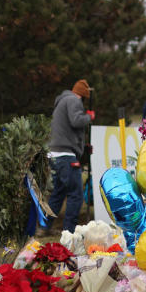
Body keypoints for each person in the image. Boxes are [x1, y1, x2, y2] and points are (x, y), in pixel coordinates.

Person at [48, 79, 95, 233]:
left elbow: (68, 128)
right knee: (76, 194)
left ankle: (44, 227)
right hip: (66, 155)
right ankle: (70, 230)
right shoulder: (74, 100)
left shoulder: (62, 101)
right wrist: (89, 117)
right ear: (82, 95)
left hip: (55, 153)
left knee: (58, 193)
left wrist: (81, 146)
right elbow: (76, 121)